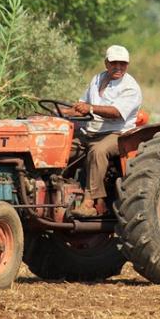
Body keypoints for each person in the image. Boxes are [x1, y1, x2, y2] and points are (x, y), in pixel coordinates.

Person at [61, 45, 143, 217]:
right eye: (114, 63)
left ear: (127, 65)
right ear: (106, 63)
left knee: (98, 151)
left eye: (123, 64)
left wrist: (89, 108)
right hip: (90, 132)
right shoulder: (97, 79)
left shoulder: (130, 87)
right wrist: (62, 112)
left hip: (118, 134)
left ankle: (90, 202)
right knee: (62, 147)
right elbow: (81, 105)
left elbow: (116, 113)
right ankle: (58, 193)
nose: (118, 67)